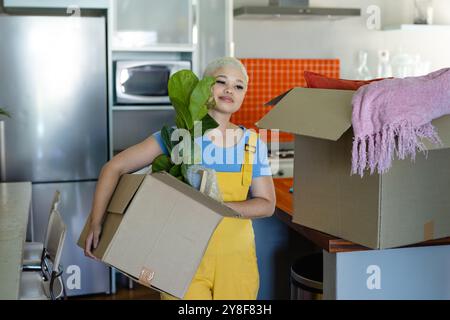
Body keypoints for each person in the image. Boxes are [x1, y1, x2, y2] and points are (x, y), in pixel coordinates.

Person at [84, 56, 276, 300]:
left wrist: (218, 208)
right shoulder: (178, 137)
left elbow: (267, 204)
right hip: (182, 261)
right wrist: (96, 222)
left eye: (239, 86)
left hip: (236, 260)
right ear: (203, 87)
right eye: (221, 81)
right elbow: (113, 167)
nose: (230, 89)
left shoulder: (252, 144)